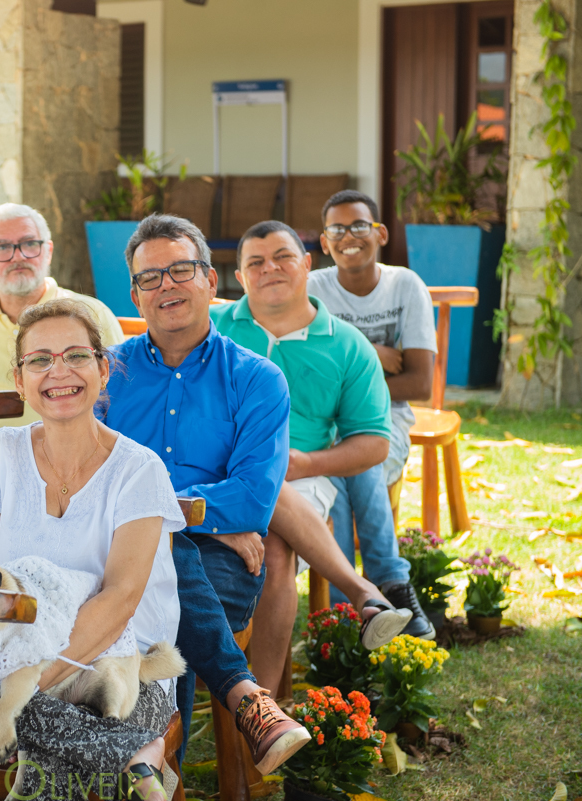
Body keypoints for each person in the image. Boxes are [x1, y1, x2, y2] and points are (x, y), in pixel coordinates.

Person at [0, 299, 308, 801]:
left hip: (116, 652)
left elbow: (120, 601)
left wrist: (9, 698)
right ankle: (135, 760)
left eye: (75, 356)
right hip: (14, 653)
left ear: (104, 370)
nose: (57, 371)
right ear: (19, 381)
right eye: (39, 360)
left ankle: (114, 750)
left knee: (90, 692)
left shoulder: (139, 469)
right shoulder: (1, 453)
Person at [103, 214, 411, 734]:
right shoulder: (106, 373)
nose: (167, 286)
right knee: (135, 606)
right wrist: (201, 512)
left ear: (210, 281)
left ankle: (157, 766)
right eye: (150, 278)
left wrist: (155, 509)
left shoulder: (257, 378)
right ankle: (244, 719)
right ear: (135, 296)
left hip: (217, 555)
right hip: (114, 547)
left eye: (181, 270)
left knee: (162, 610)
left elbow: (250, 501)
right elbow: (86, 483)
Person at [213, 219, 434, 639]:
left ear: (308, 264)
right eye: (256, 262)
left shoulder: (348, 344)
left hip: (302, 479)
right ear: (240, 277)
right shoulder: (212, 331)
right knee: (259, 475)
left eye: (283, 257)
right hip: (212, 472)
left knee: (275, 554)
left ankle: (265, 699)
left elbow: (373, 445)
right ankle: (361, 590)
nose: (270, 269)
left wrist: (306, 461)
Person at [308, 191, 437, 616]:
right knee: (345, 466)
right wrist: (369, 354)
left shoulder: (405, 286)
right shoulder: (311, 290)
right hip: (324, 424)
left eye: (359, 225)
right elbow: (304, 370)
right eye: (337, 229)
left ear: (379, 233)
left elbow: (418, 382)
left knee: (356, 459)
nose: (350, 236)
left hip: (384, 418)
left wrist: (346, 370)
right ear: (324, 243)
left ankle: (348, 614)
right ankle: (388, 585)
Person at [0, 202, 124, 427]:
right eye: (1, 247)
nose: (17, 256)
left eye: (29, 244)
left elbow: (122, 402)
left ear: (48, 251)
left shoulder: (93, 315)